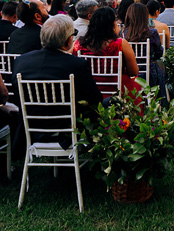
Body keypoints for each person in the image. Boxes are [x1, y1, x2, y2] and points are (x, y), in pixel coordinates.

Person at [11, 15, 105, 149]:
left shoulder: (21, 61)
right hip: (67, 129)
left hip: (32, 126)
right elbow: (95, 99)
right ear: (68, 40)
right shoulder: (77, 65)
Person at [72, 6, 141, 100]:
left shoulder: (78, 44)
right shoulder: (121, 43)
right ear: (112, 25)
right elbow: (134, 72)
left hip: (88, 91)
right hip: (117, 90)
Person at [122, 3, 166, 102]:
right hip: (150, 71)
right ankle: (159, 101)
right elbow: (159, 53)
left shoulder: (124, 33)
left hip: (130, 71)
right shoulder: (152, 33)